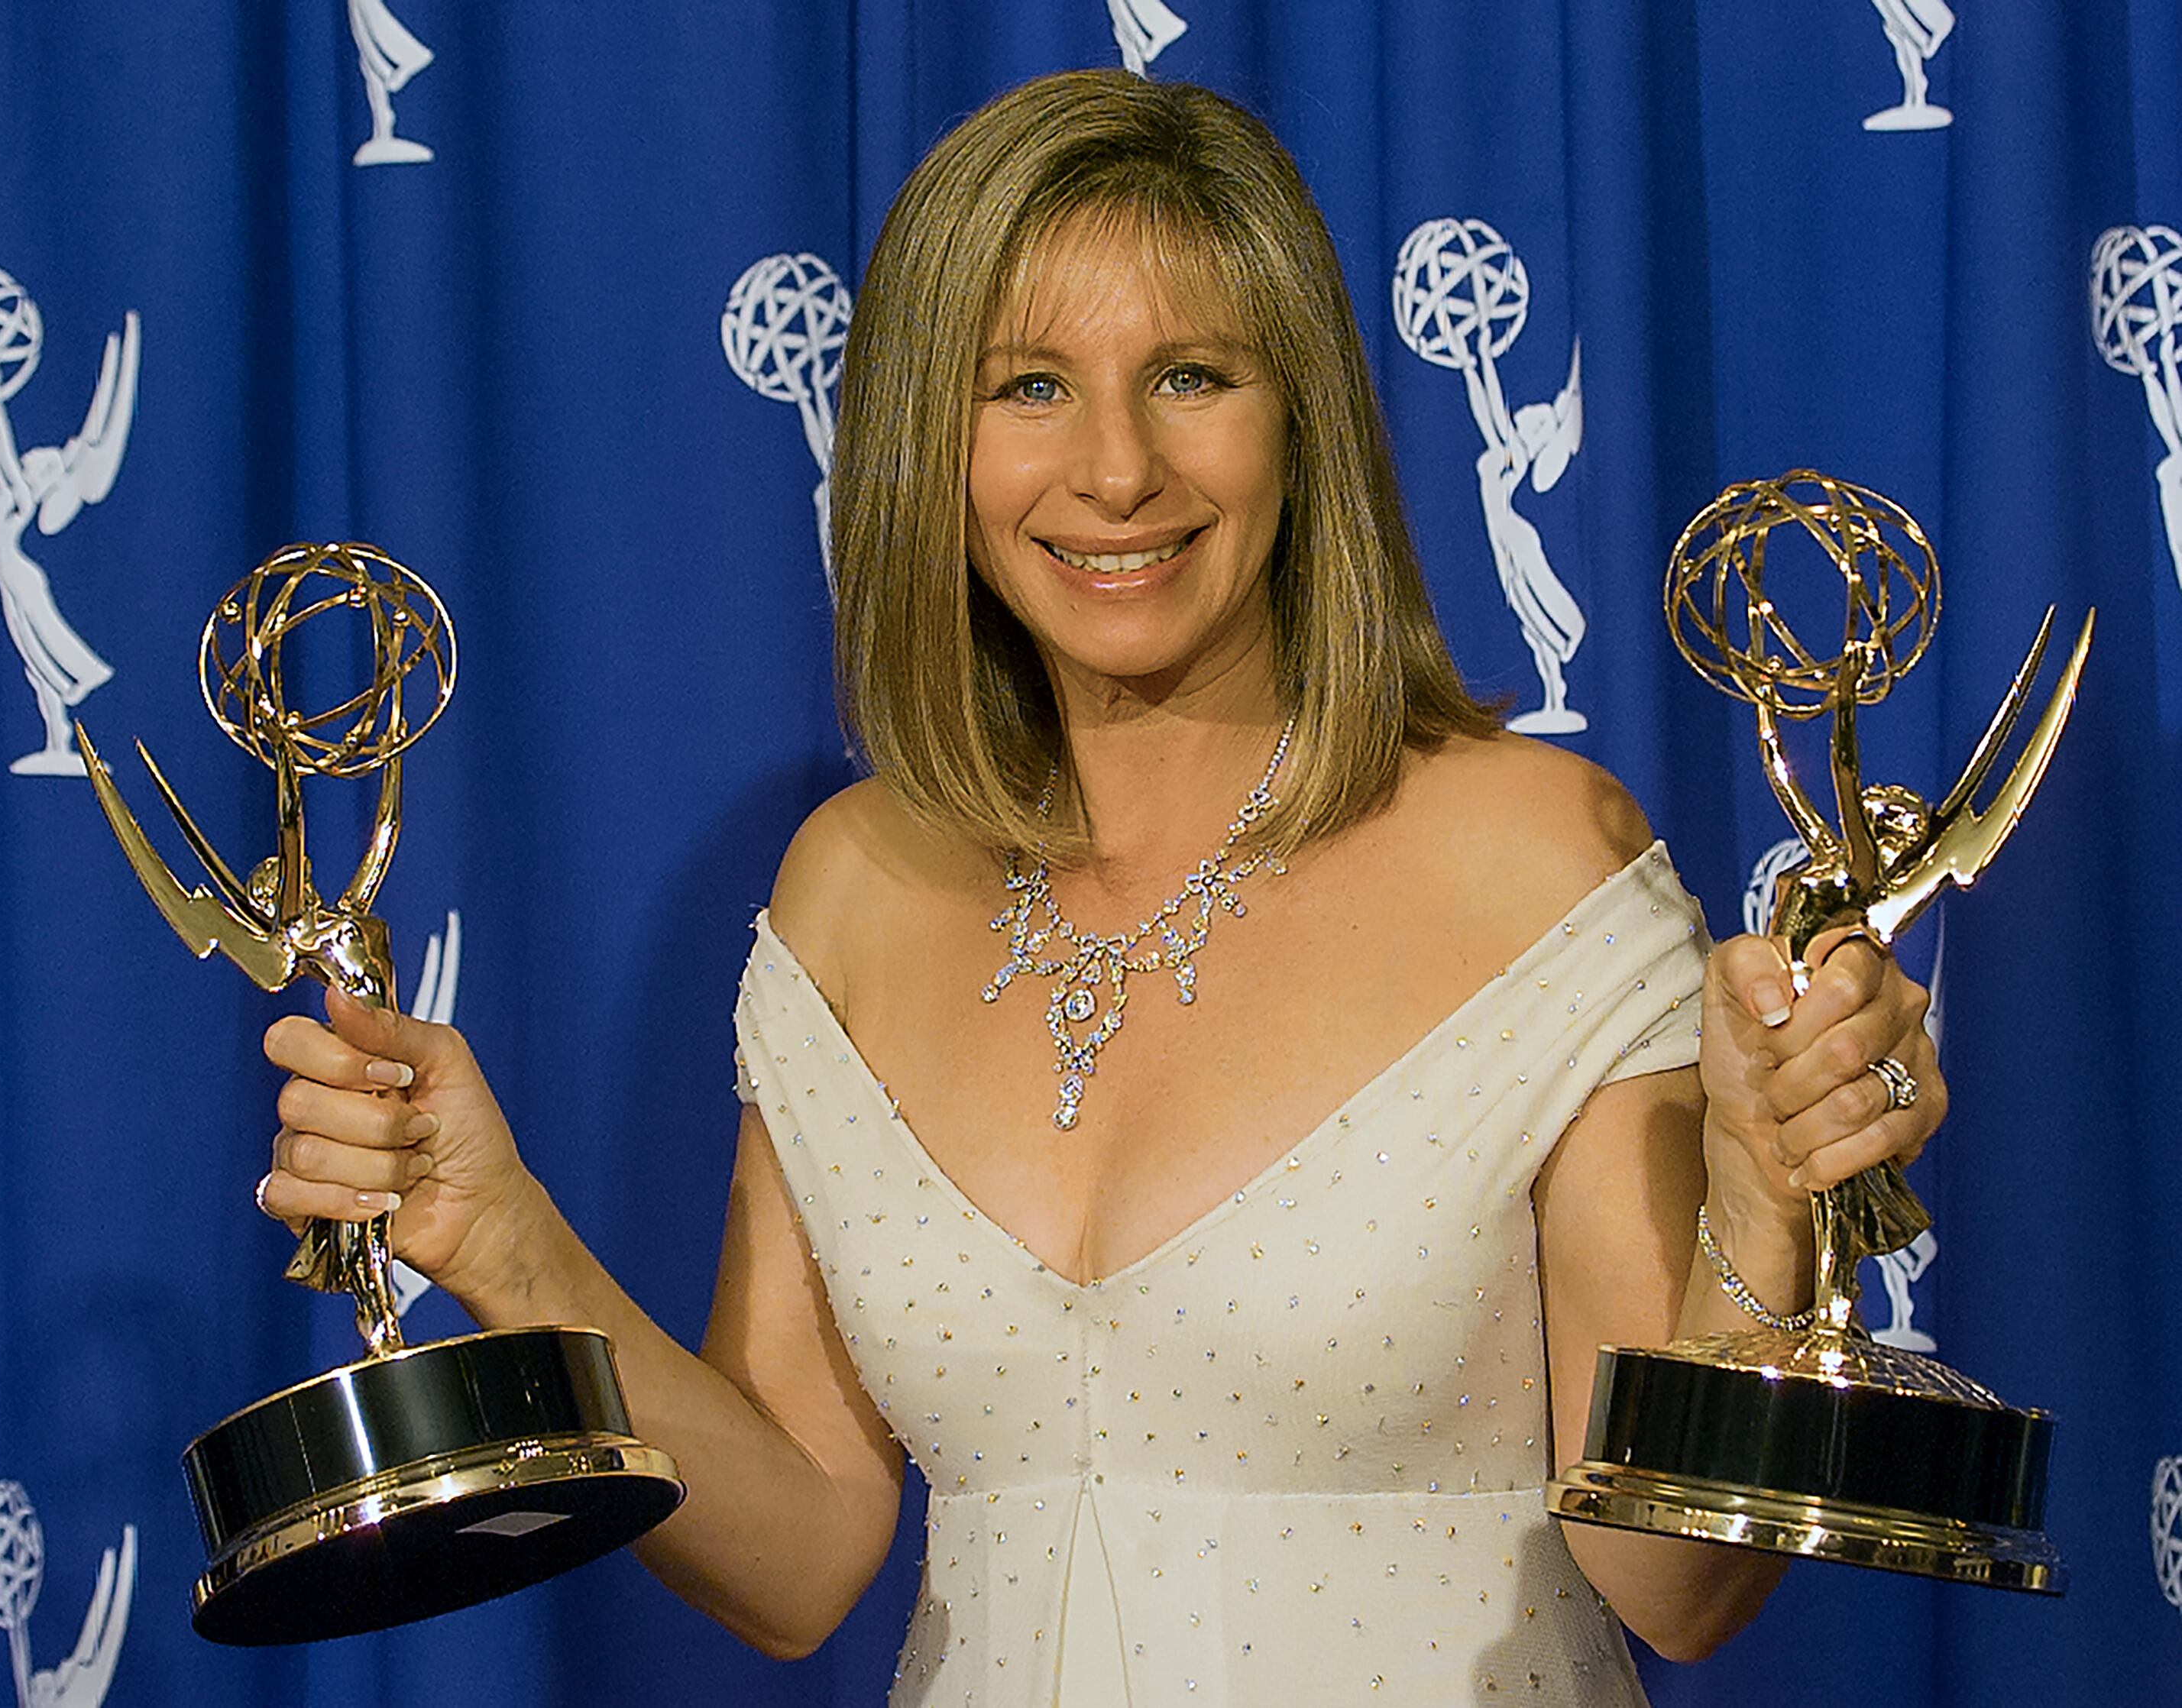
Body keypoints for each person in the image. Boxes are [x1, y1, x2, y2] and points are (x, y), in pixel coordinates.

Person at [257, 70, 1944, 1704]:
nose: (1119, 470)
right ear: (934, 437)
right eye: (1031, 386)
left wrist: (1763, 1201)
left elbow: (1680, 1582)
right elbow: (797, 1551)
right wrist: (507, 1244)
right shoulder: (847, 886)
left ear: (1307, 420)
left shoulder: (1538, 856)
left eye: (1195, 374)